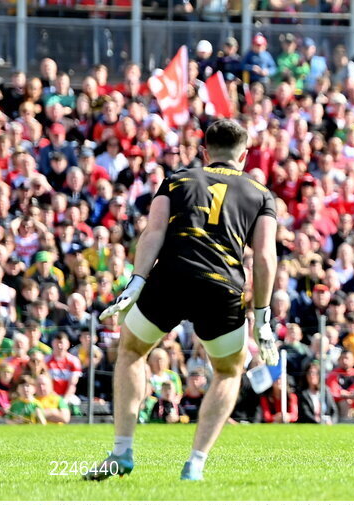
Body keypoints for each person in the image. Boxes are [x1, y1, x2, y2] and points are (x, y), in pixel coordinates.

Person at [85, 119, 279, 482]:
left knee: (131, 351)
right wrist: (263, 314)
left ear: (204, 152)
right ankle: (195, 463)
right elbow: (266, 256)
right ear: (244, 155)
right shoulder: (260, 192)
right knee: (227, 370)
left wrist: (136, 281)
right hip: (222, 286)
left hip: (172, 277)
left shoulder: (178, 179)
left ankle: (122, 452)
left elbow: (153, 232)